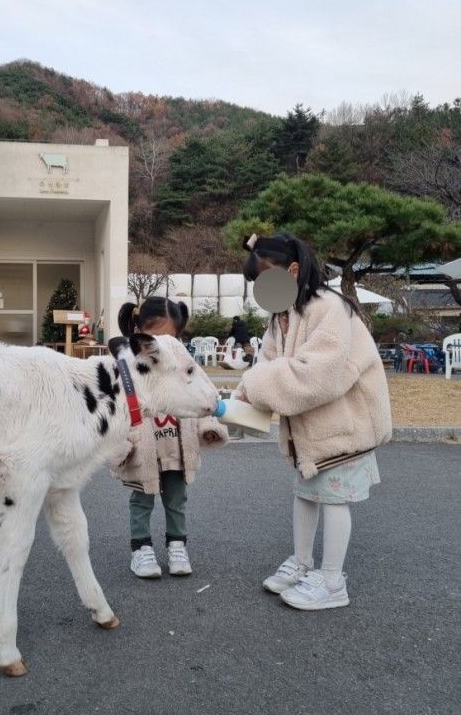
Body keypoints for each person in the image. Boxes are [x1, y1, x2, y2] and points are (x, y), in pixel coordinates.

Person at [236, 233, 391, 610]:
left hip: (345, 424)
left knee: (335, 499)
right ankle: (303, 564)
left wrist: (253, 385)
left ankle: (333, 581)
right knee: (306, 493)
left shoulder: (328, 307)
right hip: (312, 429)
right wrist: (242, 400)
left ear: (292, 270)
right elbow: (269, 368)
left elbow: (315, 374)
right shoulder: (282, 316)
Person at [112, 297, 229, 578]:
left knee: (177, 500)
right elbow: (121, 412)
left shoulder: (182, 362)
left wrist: (208, 425)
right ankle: (141, 549)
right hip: (143, 450)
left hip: (178, 447)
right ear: (139, 331)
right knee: (141, 501)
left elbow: (199, 395)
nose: (166, 345)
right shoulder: (127, 368)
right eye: (157, 337)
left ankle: (177, 545)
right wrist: (122, 446)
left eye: (171, 337)